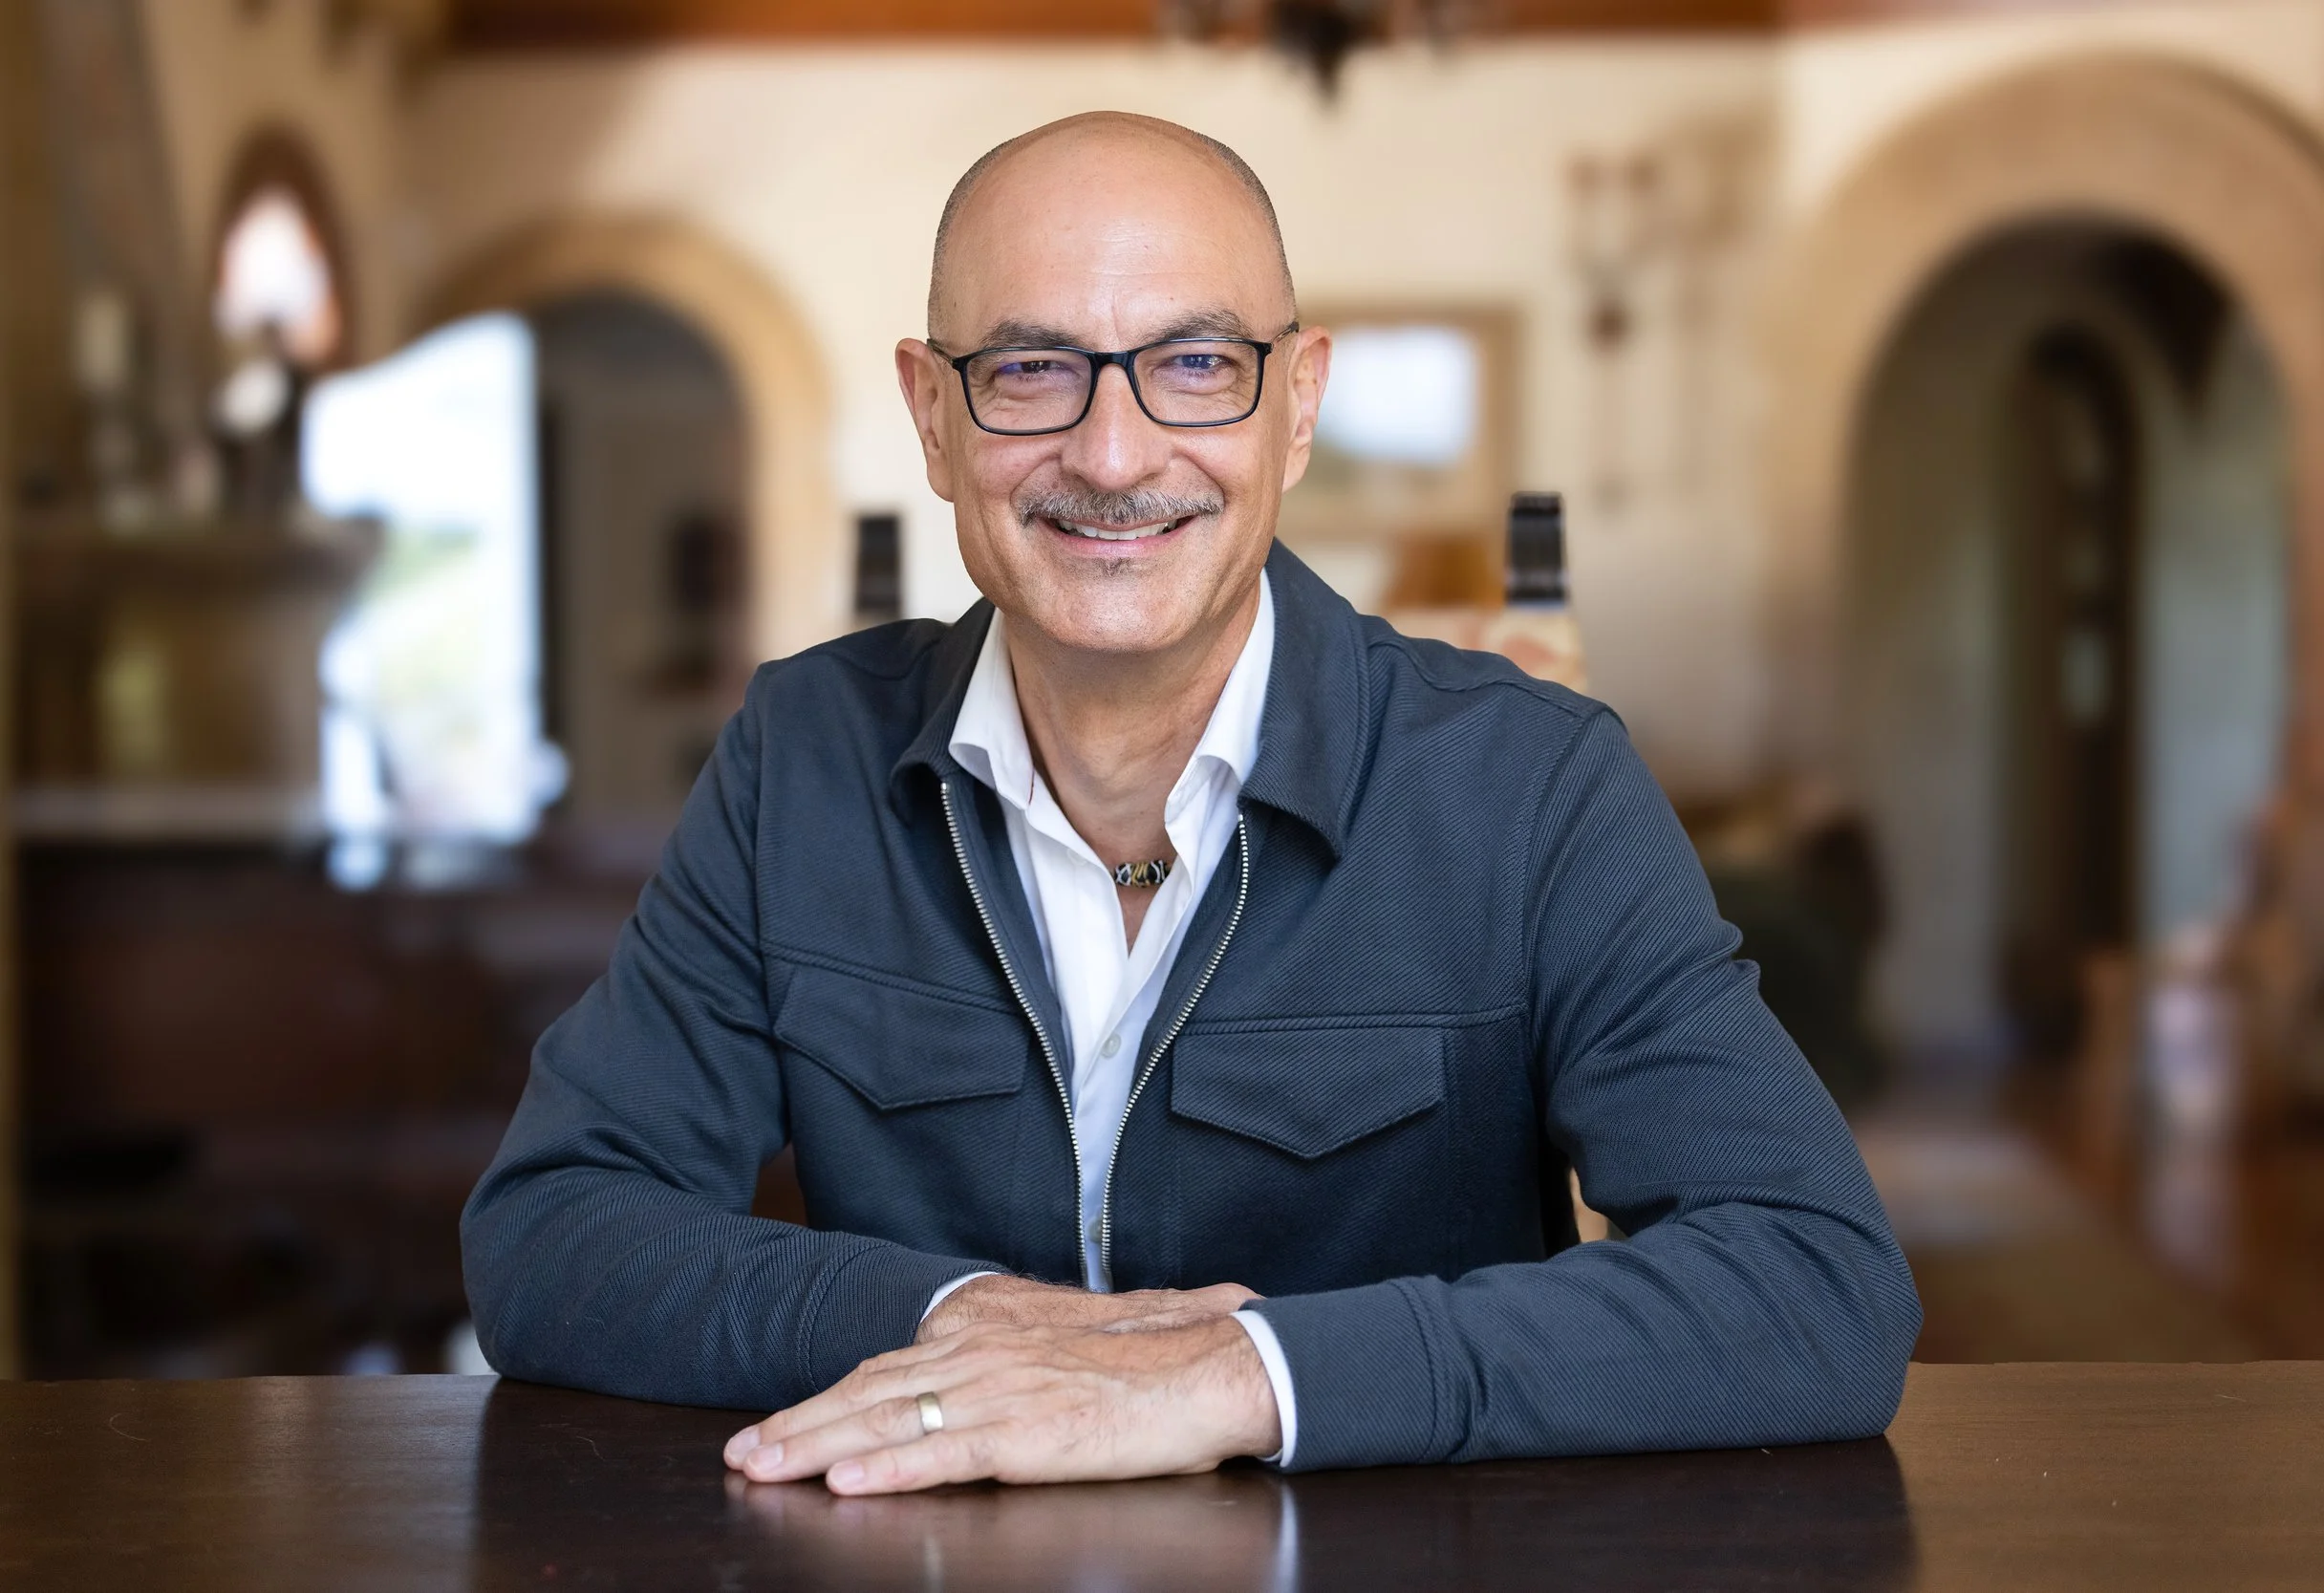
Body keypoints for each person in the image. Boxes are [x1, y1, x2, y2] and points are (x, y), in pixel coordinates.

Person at [462, 112, 1921, 1496]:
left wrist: (1239, 1373)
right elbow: (549, 1234)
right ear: (931, 416)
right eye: (1030, 370)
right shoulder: (801, 757)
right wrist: (962, 1318)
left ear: (1296, 406)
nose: (1111, 455)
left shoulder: (1535, 787)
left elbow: (1815, 1280)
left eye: (1198, 364)